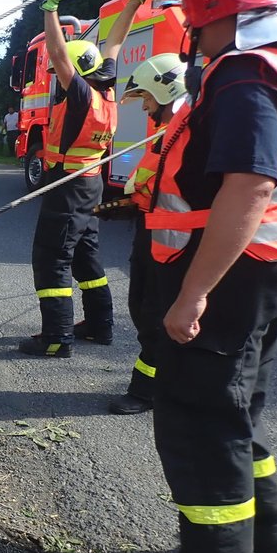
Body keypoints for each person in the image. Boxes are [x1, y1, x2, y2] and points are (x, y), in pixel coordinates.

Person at [130, 0, 277, 553]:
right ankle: (270, 539)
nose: (189, 30)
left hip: (227, 276)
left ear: (216, 2)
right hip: (265, 269)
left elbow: (248, 187)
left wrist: (191, 295)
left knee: (200, 420)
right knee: (239, 410)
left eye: (192, 14)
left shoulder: (245, 74)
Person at [18, 0, 143, 357]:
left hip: (68, 184)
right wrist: (134, 4)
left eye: (62, 73)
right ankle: (99, 325)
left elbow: (57, 52)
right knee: (86, 254)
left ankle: (56, 338)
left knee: (51, 258)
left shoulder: (81, 95)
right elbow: (114, 42)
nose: (57, 78)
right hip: (89, 183)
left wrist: (50, 9)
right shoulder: (105, 86)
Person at [103, 54, 187, 415]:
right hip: (150, 233)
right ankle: (163, 382)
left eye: (147, 99)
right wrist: (124, 205)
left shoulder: (187, 133)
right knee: (140, 306)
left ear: (165, 91)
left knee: (155, 315)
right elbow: (154, 186)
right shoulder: (164, 137)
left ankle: (148, 390)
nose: (145, 108)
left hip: (175, 244)